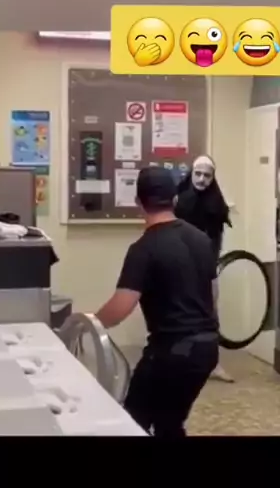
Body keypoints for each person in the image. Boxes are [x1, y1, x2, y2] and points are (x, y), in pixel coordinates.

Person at [94, 166, 219, 438]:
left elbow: (121, 307)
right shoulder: (201, 239)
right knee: (169, 422)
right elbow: (212, 293)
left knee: (134, 420)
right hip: (207, 350)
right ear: (175, 199)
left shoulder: (144, 249)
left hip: (172, 352)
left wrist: (89, 323)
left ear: (138, 203)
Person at [175, 154, 234, 382]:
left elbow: (216, 237)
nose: (201, 179)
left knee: (209, 315)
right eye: (197, 174)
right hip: (179, 266)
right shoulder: (178, 200)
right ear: (191, 174)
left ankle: (212, 364)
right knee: (178, 314)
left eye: (207, 176)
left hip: (206, 266)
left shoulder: (216, 204)